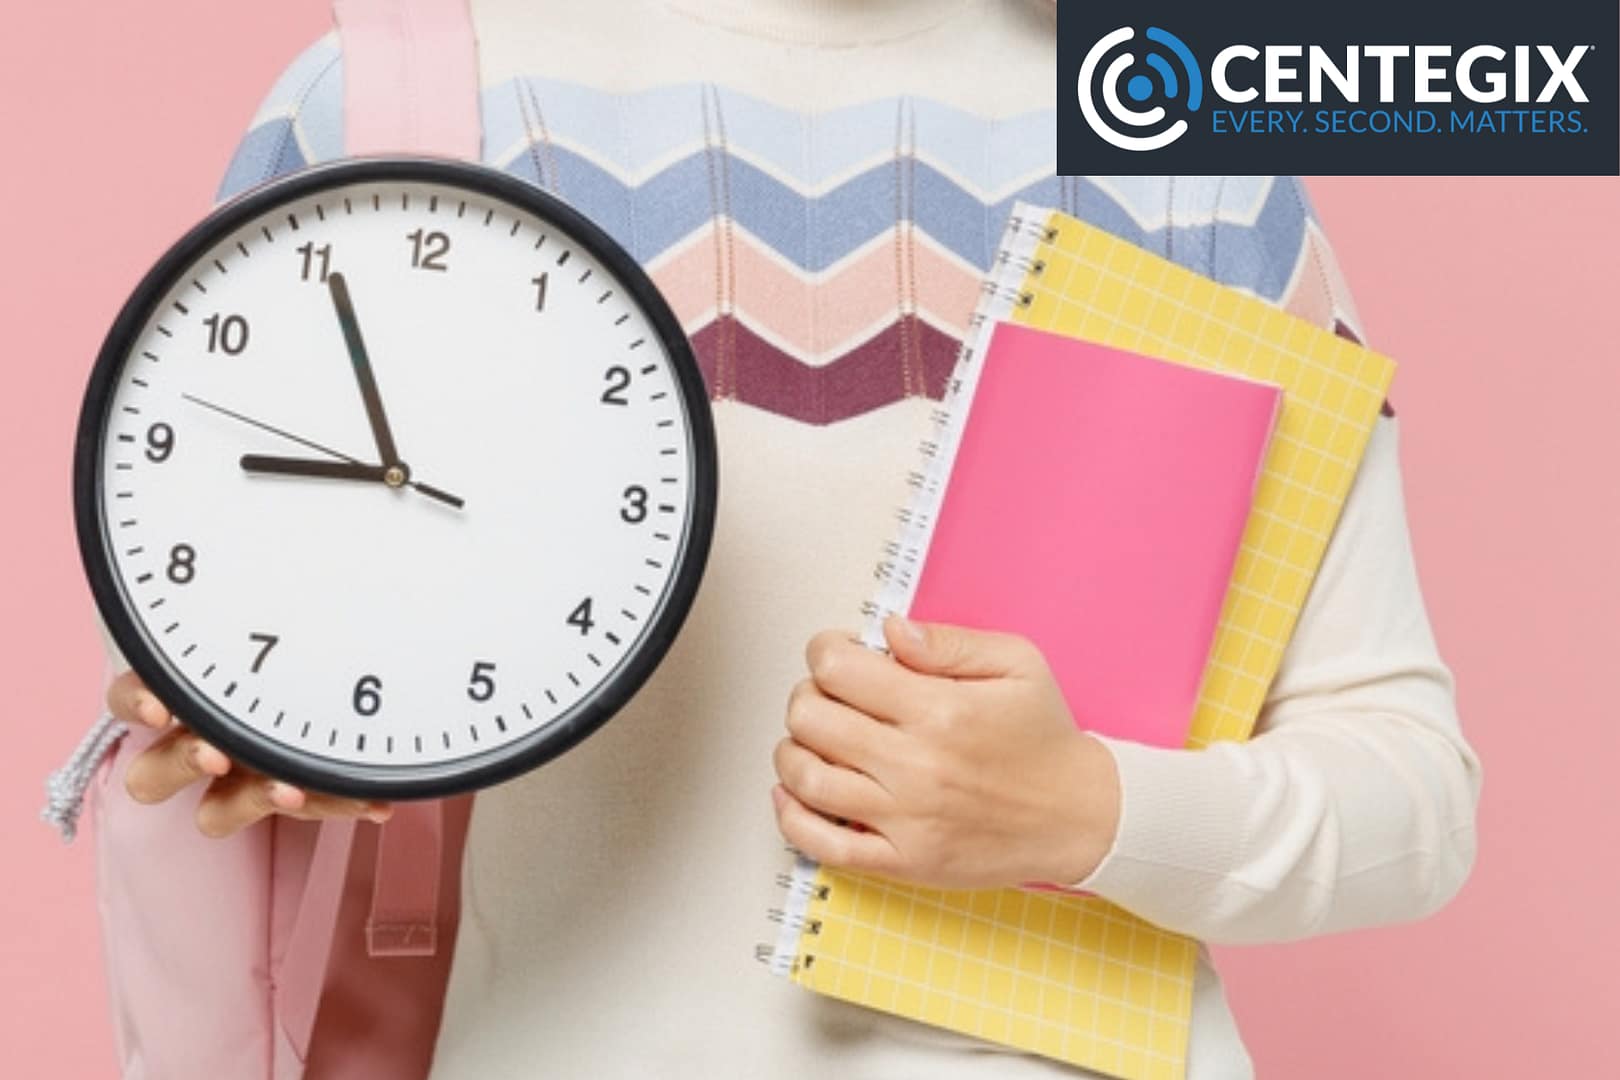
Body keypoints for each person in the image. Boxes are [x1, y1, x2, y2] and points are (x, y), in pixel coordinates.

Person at [95, 2, 1481, 1076]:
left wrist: (1083, 810)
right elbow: (220, 621)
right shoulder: (402, 99)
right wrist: (272, 736)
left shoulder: (1185, 156)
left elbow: (1412, 793)